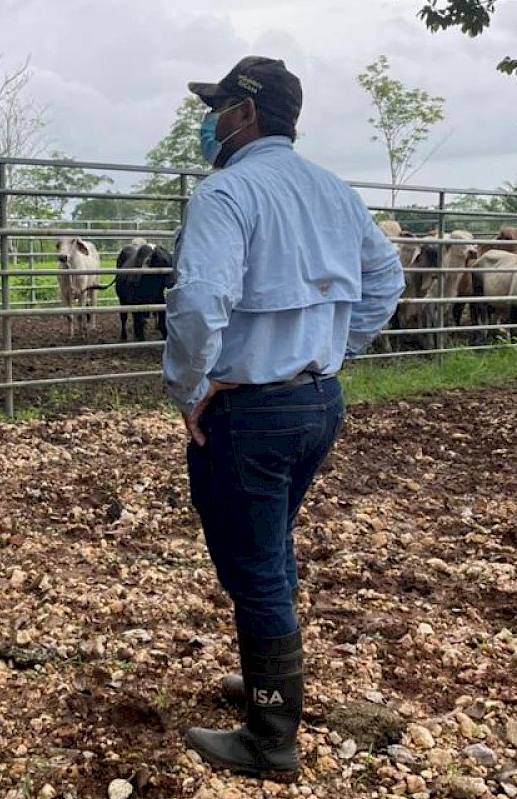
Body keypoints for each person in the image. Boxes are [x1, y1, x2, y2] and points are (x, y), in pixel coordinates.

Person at [163, 56, 405, 781]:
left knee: (255, 564)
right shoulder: (332, 191)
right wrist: (337, 347)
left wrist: (190, 387)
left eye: (217, 109)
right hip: (317, 401)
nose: (209, 122)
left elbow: (201, 301)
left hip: (248, 409)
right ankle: (270, 678)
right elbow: (386, 277)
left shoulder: (228, 193)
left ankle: (271, 736)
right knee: (269, 548)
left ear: (247, 113)